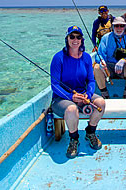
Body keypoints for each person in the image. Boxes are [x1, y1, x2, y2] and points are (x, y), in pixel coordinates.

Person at [50, 25, 106, 158]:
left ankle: (90, 132)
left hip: (83, 95)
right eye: (72, 37)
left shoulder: (86, 58)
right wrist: (71, 97)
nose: (75, 40)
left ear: (82, 40)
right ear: (67, 38)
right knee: (70, 110)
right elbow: (55, 85)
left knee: (101, 103)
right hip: (61, 98)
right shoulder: (58, 58)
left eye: (78, 37)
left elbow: (91, 81)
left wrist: (88, 94)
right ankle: (74, 139)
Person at [93, 17, 126, 99]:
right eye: (116, 26)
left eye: (122, 26)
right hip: (109, 68)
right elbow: (99, 54)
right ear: (112, 27)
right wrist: (101, 61)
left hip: (124, 69)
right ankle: (104, 93)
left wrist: (124, 60)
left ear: (125, 27)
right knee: (96, 67)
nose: (119, 28)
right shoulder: (105, 38)